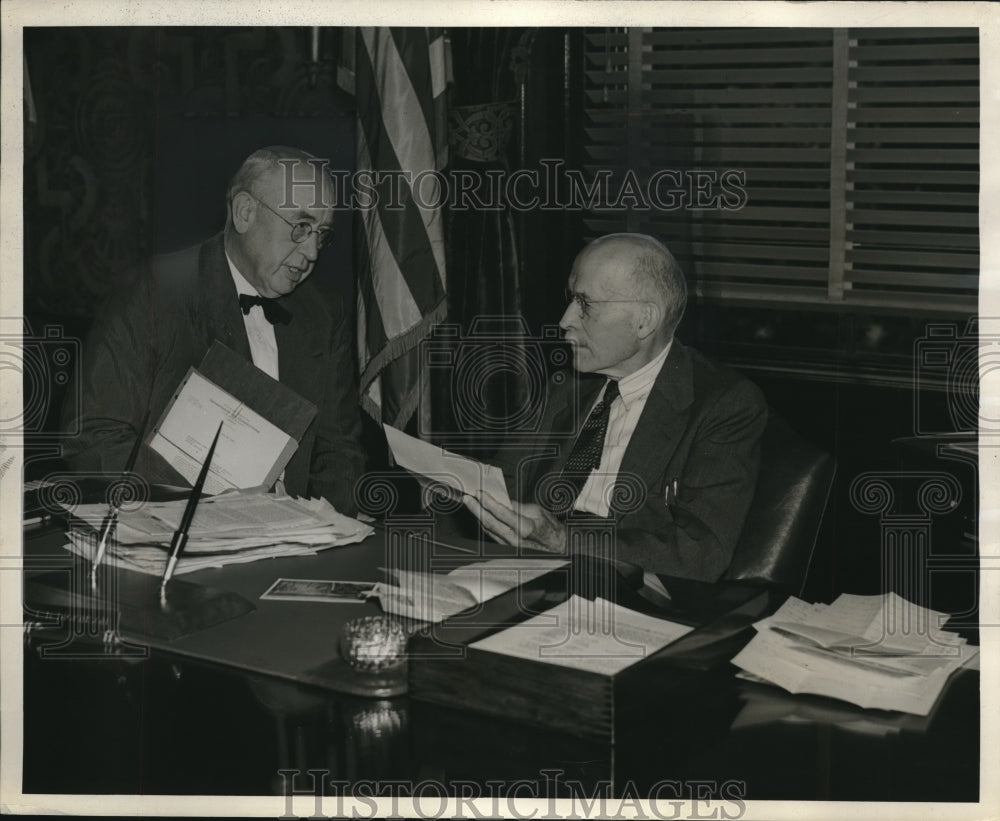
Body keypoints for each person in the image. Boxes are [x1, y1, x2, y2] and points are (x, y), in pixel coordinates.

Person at [61, 145, 366, 514]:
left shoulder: (323, 311)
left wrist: (320, 525)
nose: (313, 251)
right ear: (245, 212)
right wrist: (193, 507)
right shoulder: (154, 293)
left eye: (322, 234)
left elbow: (340, 451)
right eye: (301, 227)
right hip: (176, 531)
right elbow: (92, 438)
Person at [465, 233, 767, 582]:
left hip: (626, 588)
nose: (565, 320)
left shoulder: (724, 404)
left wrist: (563, 541)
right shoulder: (569, 384)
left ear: (644, 321)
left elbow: (699, 554)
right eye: (570, 299)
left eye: (585, 304)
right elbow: (504, 481)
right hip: (525, 572)